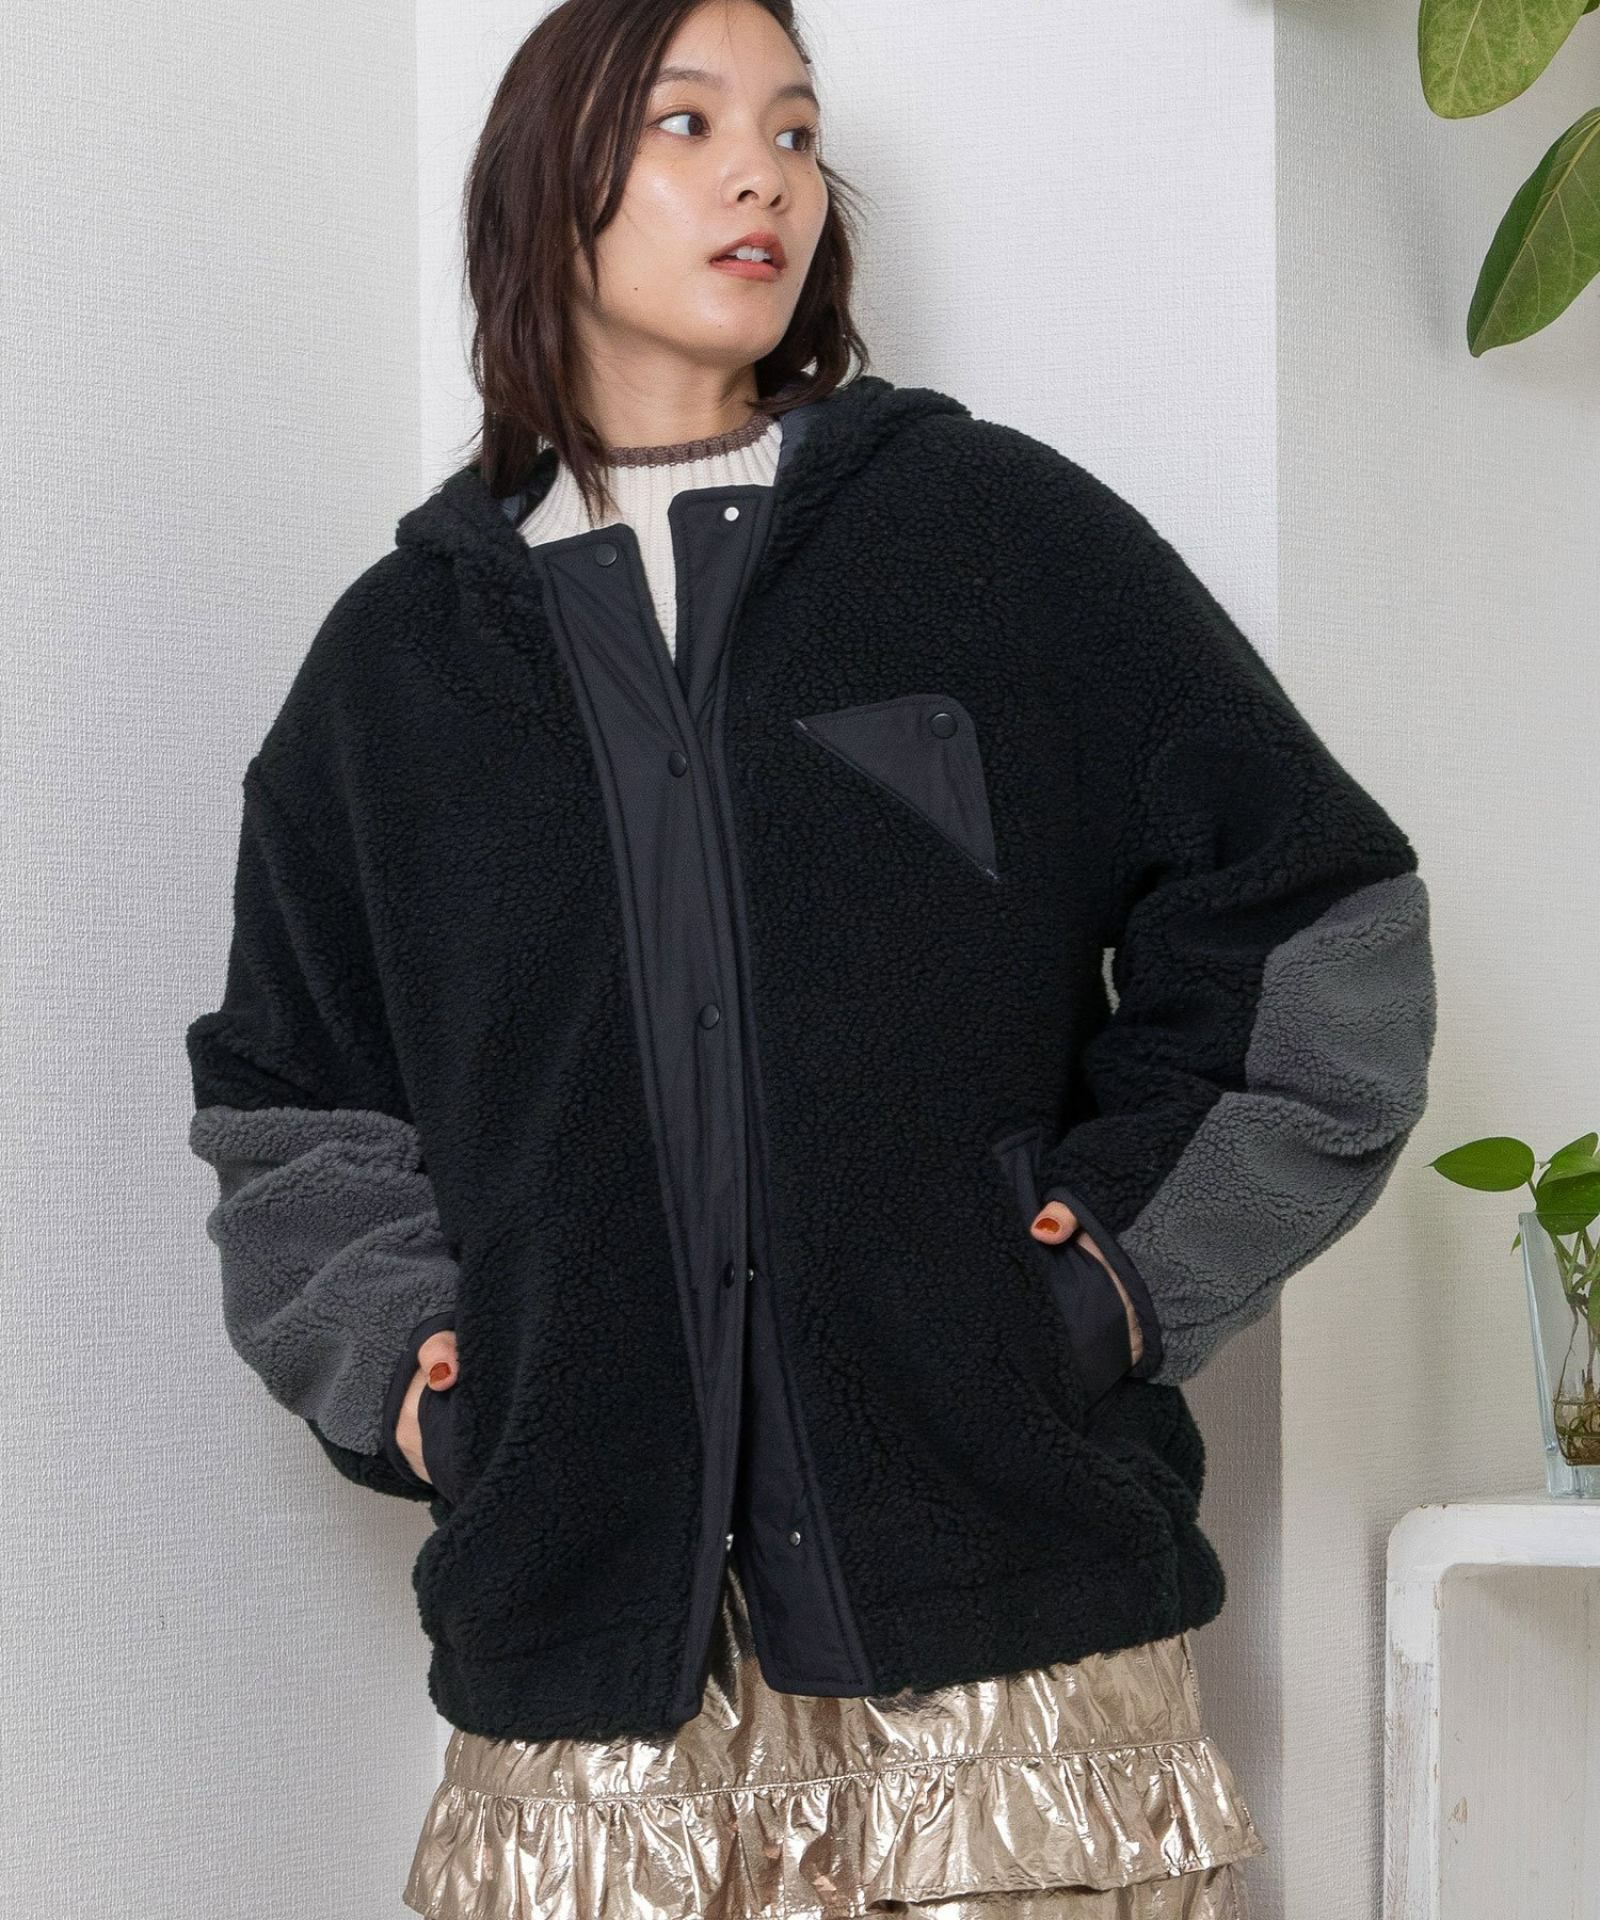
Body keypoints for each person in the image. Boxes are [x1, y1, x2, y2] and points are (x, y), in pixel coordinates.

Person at [183, 1, 1438, 1915]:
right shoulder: (393, 677)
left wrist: (1107, 1281)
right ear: (541, 185)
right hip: (583, 1694)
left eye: (791, 129)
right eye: (686, 124)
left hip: (1012, 1679)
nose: (761, 173)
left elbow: (1316, 926)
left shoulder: (991, 541)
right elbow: (294, 1117)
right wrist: (431, 1387)